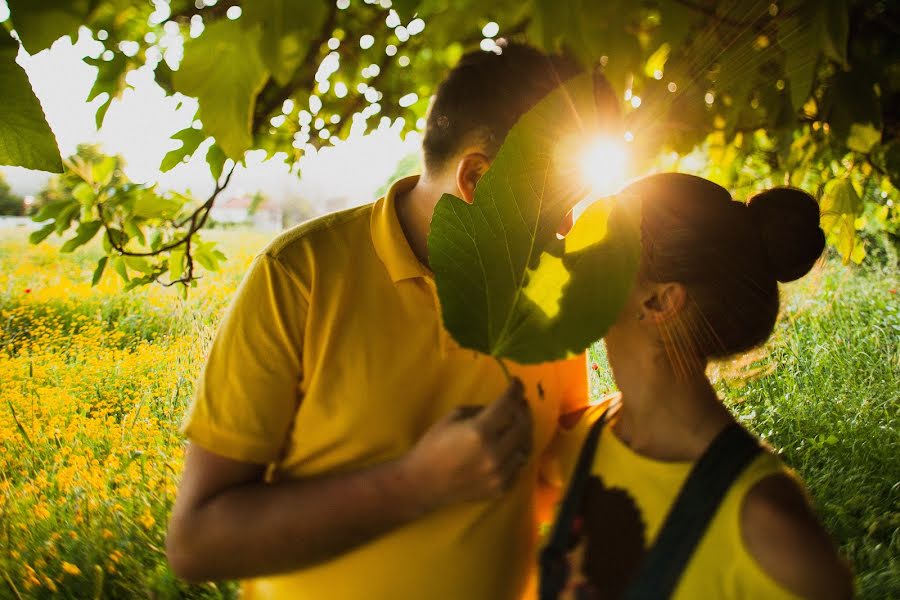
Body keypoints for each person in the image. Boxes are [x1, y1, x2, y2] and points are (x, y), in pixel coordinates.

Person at [166, 43, 591, 600]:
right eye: (557, 205)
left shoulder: (551, 292)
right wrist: (416, 484)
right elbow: (198, 543)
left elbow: (550, 476)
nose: (567, 226)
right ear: (478, 180)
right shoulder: (299, 278)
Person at [541, 174, 854, 599]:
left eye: (606, 237)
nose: (573, 239)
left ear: (660, 302)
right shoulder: (573, 442)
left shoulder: (773, 537)